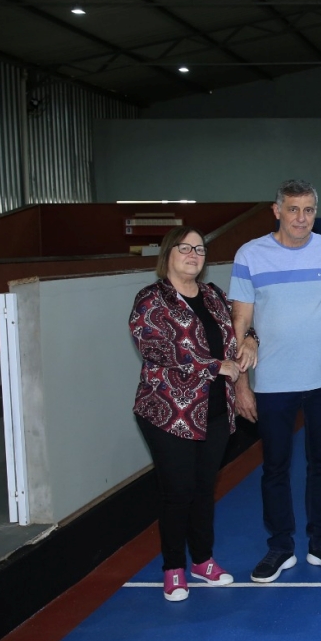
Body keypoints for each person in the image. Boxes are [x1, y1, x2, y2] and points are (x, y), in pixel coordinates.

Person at [231, 180, 321, 583]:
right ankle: (280, 547)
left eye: (309, 210)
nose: (301, 218)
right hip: (272, 381)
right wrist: (241, 384)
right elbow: (241, 322)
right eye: (294, 209)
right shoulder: (250, 254)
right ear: (277, 210)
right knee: (275, 467)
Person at [131, 226, 249, 601]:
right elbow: (157, 349)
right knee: (177, 491)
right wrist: (216, 366)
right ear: (167, 253)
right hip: (167, 413)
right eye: (185, 248)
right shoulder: (151, 300)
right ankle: (173, 568)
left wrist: (250, 341)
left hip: (214, 412)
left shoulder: (213, 296)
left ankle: (202, 560)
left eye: (199, 249)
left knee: (203, 489)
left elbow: (240, 326)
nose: (193, 254)